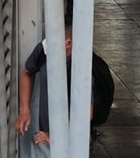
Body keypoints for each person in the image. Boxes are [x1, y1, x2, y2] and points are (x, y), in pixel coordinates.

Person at [15, 19, 96, 147]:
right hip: (47, 137)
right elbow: (27, 73)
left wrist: (57, 137)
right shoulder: (45, 49)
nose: (49, 48)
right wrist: (24, 110)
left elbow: (86, 114)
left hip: (72, 144)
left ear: (68, 44)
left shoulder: (80, 68)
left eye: (54, 45)